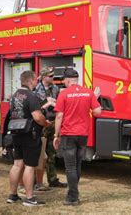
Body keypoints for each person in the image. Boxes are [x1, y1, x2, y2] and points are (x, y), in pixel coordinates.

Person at [53, 68, 102, 206]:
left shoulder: (63, 94)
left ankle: (73, 197)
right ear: (77, 79)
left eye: (64, 80)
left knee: (70, 167)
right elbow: (98, 111)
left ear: (67, 80)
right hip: (83, 135)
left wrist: (56, 135)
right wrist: (94, 100)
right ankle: (73, 193)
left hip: (69, 134)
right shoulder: (88, 93)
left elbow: (59, 116)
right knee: (77, 164)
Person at [7, 70, 50, 207]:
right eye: (35, 79)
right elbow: (37, 117)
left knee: (17, 164)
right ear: (31, 80)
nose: (36, 81)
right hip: (29, 134)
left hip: (15, 133)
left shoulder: (14, 96)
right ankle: (30, 198)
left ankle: (13, 195)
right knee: (30, 166)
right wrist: (46, 123)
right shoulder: (31, 96)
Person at [34, 67, 67, 190]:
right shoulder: (35, 89)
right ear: (43, 77)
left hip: (52, 123)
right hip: (41, 123)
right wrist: (47, 103)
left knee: (52, 152)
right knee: (39, 154)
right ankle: (36, 182)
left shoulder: (56, 89)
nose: (53, 78)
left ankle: (53, 179)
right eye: (50, 76)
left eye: (53, 76)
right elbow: (34, 107)